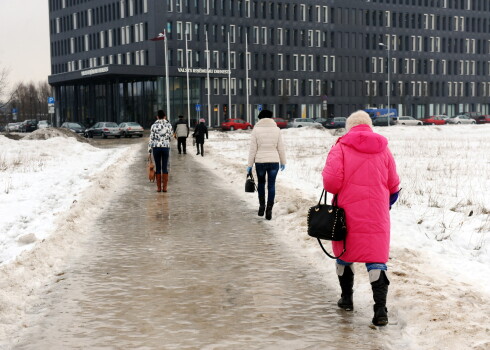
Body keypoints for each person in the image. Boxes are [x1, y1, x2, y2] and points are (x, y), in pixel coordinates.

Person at [322, 110, 400, 326]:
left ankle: (347, 299)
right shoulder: (384, 149)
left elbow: (331, 184)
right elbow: (394, 184)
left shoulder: (341, 147)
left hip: (347, 213)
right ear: (369, 126)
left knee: (345, 253)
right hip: (377, 213)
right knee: (376, 259)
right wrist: (386, 205)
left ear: (349, 127)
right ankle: (380, 310)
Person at [247, 109, 286, 220]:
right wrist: (283, 161)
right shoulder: (277, 130)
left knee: (261, 183)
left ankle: (261, 206)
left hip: (260, 161)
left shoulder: (256, 130)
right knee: (271, 185)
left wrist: (249, 165)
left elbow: (252, 149)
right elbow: (280, 147)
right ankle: (269, 210)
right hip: (274, 161)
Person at [148, 110, 173, 192]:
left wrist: (149, 150)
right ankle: (165, 188)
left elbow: (151, 138)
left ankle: (159, 188)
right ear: (165, 116)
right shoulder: (168, 125)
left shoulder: (153, 126)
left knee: (158, 167)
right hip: (165, 147)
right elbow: (171, 136)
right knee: (165, 167)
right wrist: (166, 140)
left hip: (156, 147)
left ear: (157, 117)